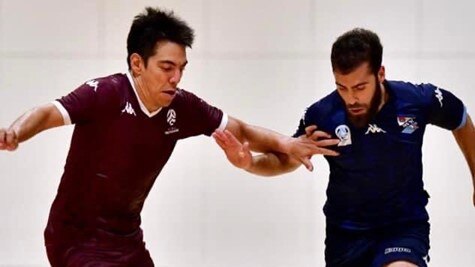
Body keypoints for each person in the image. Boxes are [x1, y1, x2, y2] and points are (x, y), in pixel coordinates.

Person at [0, 7, 339, 266]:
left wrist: (287, 144)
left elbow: (242, 131)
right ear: (137, 63)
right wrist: (16, 132)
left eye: (181, 68)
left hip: (127, 240)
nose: (176, 77)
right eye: (166, 67)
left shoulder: (183, 108)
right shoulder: (105, 93)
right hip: (75, 239)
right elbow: (48, 111)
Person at [213, 28, 475, 267]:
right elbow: (288, 159)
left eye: (360, 87)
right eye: (342, 87)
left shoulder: (417, 101)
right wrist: (250, 163)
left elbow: (461, 119)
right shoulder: (323, 115)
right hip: (347, 235)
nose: (352, 98)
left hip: (402, 227)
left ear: (380, 74)